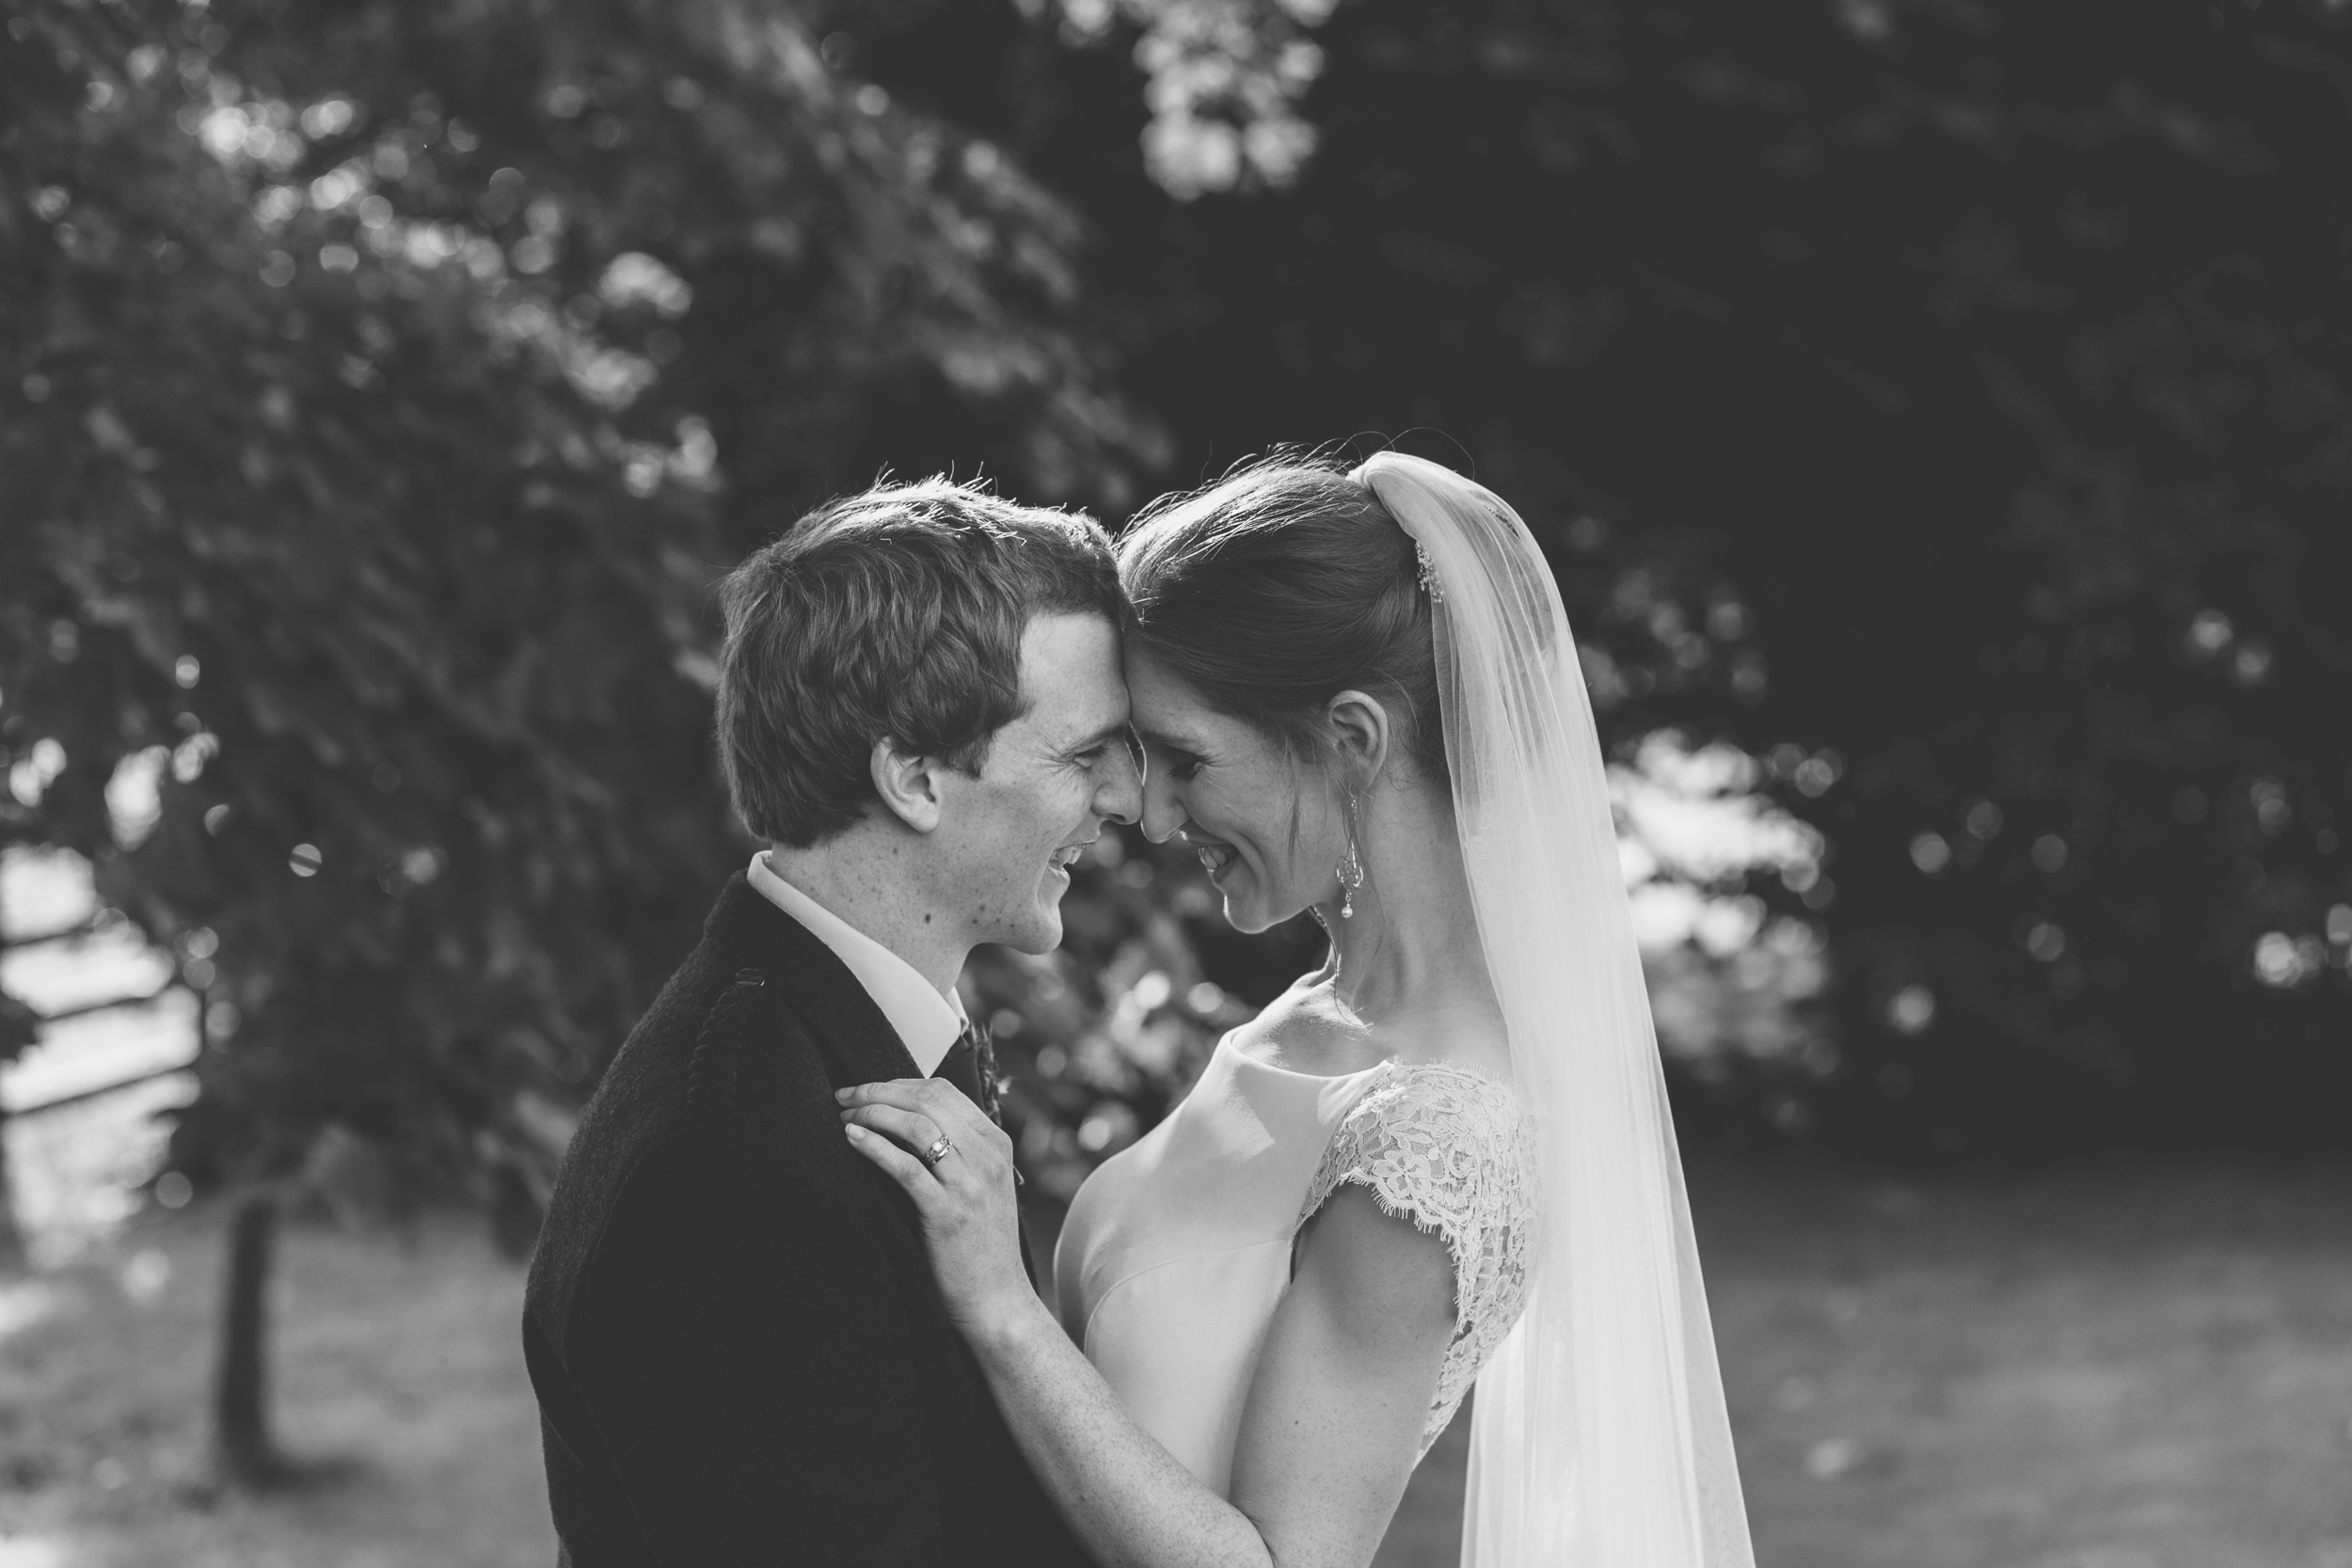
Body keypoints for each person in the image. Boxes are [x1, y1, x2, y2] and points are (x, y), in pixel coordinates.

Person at [840, 452, 1756, 1567]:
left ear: (1353, 738)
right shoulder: (1300, 1021)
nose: (1151, 812)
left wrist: (1002, 1308)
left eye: (1185, 757)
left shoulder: (1435, 1137)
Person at [522, 478, 1141, 1565]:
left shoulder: (857, 1035)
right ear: (912, 776)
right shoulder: (728, 1163)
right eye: (1083, 756)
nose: (1123, 798)